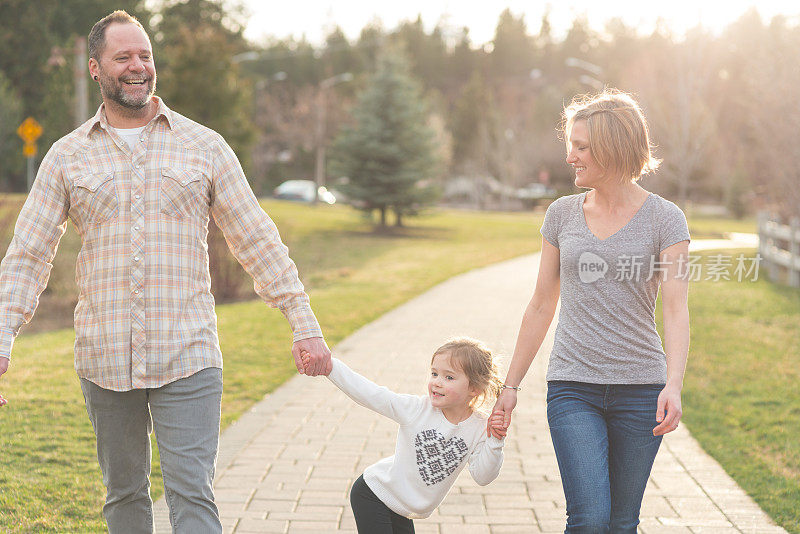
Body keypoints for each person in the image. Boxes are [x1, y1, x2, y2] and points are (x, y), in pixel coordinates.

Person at [0, 10, 331, 534]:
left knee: (192, 497)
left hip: (189, 355)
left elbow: (256, 238)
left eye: (145, 56)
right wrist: (3, 337)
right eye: (123, 57)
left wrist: (303, 321)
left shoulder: (204, 146)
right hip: (104, 358)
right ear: (95, 68)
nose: (138, 67)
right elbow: (28, 254)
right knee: (124, 495)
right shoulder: (66, 157)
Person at [488, 89, 691, 533]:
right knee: (590, 518)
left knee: (621, 523)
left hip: (641, 390)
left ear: (612, 149)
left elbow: (676, 309)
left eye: (581, 148)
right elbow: (542, 303)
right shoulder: (562, 215)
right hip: (572, 386)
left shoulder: (666, 219)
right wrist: (511, 385)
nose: (572, 157)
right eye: (572, 146)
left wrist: (673, 384)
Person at [302, 337, 507, 533]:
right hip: (373, 493)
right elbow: (372, 394)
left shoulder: (480, 427)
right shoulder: (417, 409)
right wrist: (331, 368)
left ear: (474, 388)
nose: (437, 382)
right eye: (434, 374)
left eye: (449, 377)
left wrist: (495, 440)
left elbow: (482, 477)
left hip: (402, 509)